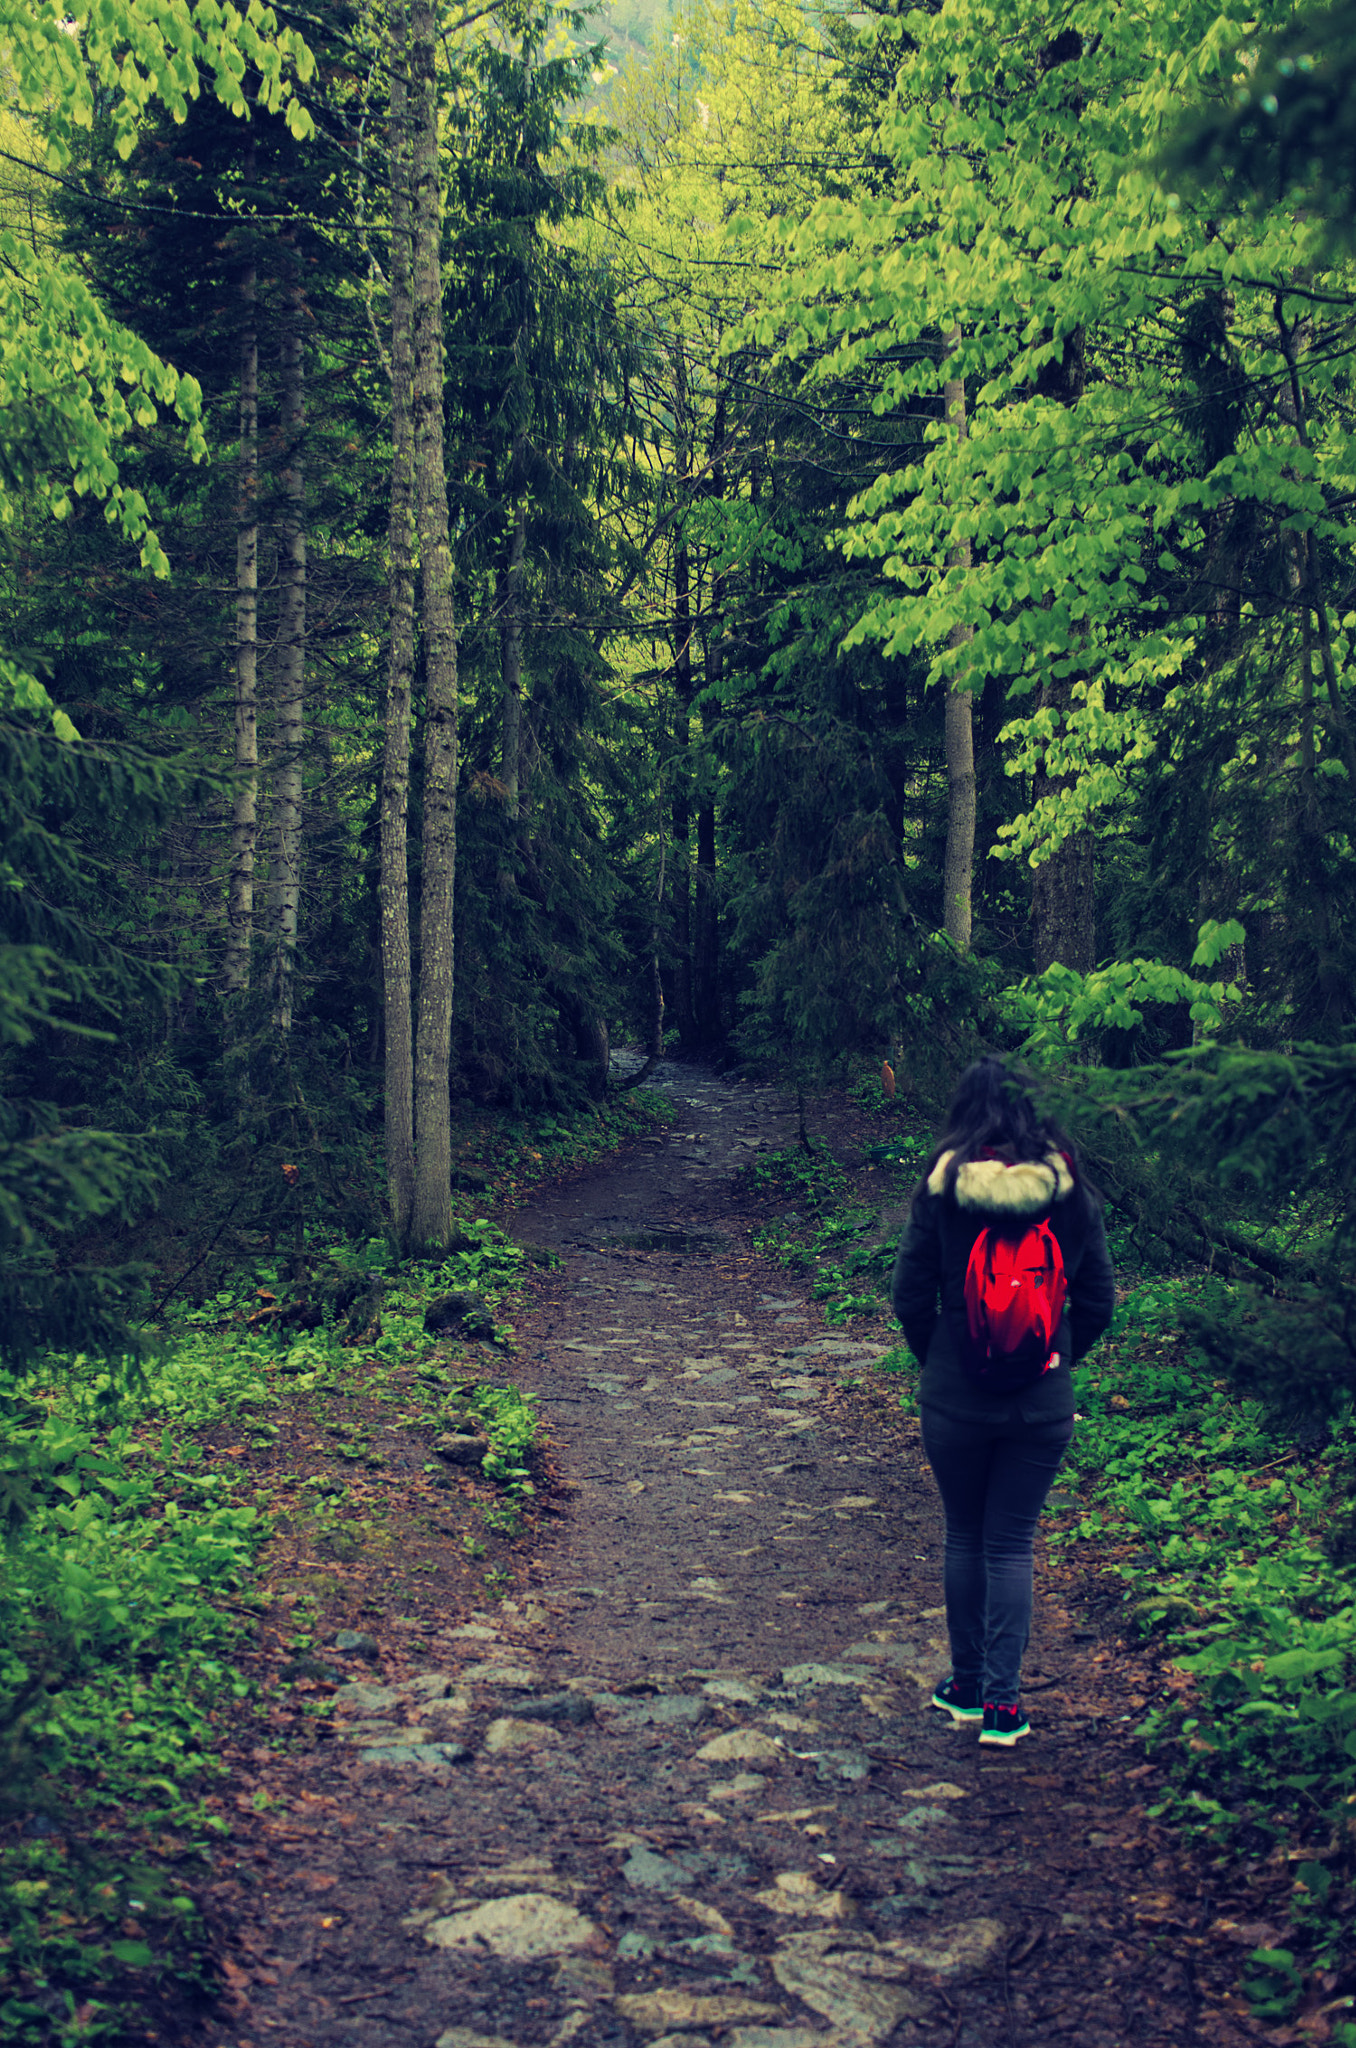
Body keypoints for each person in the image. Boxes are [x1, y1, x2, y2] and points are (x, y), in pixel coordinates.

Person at [891, 1057, 1115, 1746]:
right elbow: (1099, 1299)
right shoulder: (1071, 1190)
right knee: (1011, 1542)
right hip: (1040, 1403)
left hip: (954, 1399)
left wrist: (942, 1360)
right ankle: (1003, 1706)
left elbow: (908, 1294)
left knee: (965, 1534)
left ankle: (963, 1685)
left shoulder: (943, 1186)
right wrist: (1055, 1363)